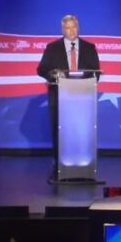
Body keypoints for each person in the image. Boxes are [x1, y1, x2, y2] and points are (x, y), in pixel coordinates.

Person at [36, 14, 101, 154]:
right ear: (62, 30)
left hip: (83, 98)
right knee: (60, 132)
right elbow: (41, 70)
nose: (71, 31)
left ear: (78, 28)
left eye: (74, 27)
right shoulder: (52, 48)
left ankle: (83, 163)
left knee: (82, 131)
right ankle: (59, 163)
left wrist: (87, 80)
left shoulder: (89, 48)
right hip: (59, 97)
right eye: (67, 28)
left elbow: (97, 73)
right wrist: (52, 74)